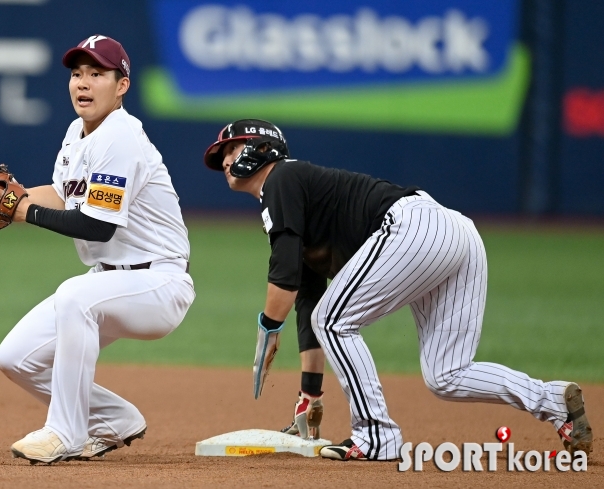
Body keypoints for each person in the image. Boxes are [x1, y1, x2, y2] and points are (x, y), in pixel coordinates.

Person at [202, 119, 593, 461]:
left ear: (262, 148)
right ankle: (553, 401)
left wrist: (269, 327)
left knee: (335, 320)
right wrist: (310, 394)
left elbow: (283, 276)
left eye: (231, 148)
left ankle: (377, 436)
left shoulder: (281, 178)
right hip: (457, 235)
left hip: (413, 226)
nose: (224, 160)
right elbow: (308, 299)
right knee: (447, 375)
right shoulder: (291, 196)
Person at [0, 35, 194, 464]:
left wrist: (21, 211)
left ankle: (64, 432)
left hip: (159, 282)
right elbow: (65, 197)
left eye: (96, 74)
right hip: (111, 281)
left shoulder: (121, 137)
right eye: (77, 73)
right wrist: (7, 200)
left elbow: (96, 227)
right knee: (15, 358)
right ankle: (114, 419)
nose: (83, 82)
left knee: (74, 296)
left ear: (122, 86)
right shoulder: (77, 132)